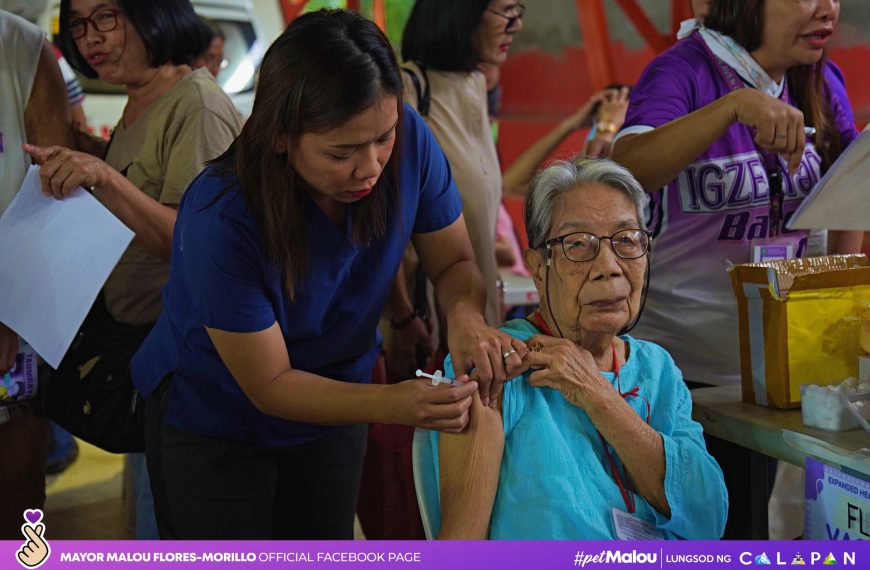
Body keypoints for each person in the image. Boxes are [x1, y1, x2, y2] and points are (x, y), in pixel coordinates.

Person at [130, 9, 525, 540]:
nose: (370, 166)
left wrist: (465, 318)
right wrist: (398, 404)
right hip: (218, 421)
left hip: (336, 408)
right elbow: (270, 384)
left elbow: (453, 262)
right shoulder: (220, 215)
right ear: (280, 135)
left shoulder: (409, 139)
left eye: (382, 138)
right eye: (341, 152)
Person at [610, 0, 861, 538]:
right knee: (694, 536)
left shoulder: (819, 79)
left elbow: (848, 191)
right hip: (678, 383)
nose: (829, 9)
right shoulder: (682, 72)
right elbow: (622, 172)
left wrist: (836, 293)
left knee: (750, 528)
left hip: (775, 376)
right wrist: (731, 109)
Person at [24, 0, 242, 539]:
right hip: (143, 358)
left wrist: (102, 175)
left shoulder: (196, 104)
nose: (90, 37)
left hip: (184, 369)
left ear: (155, 14)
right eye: (77, 24)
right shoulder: (143, 100)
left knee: (171, 523)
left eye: (107, 17)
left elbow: (194, 241)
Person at [431, 157, 727, 539]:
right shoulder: (498, 365)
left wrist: (596, 393)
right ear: (538, 267)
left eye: (626, 241)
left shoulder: (658, 370)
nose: (609, 266)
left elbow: (709, 520)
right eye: (578, 245)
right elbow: (459, 550)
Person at [400, 0, 525, 330]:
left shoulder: (473, 85)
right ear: (461, 12)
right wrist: (404, 318)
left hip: (479, 318)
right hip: (430, 321)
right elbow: (387, 227)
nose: (517, 25)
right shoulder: (409, 90)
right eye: (507, 11)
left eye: (519, 12)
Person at [0, 8, 75, 538]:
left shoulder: (22, 49)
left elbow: (52, 192)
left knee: (17, 483)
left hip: (12, 314)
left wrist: (10, 307)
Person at [502, 85, 631, 196]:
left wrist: (607, 127)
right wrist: (569, 125)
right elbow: (511, 185)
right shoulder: (570, 185)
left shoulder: (637, 175)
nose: (597, 141)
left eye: (615, 129)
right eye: (596, 126)